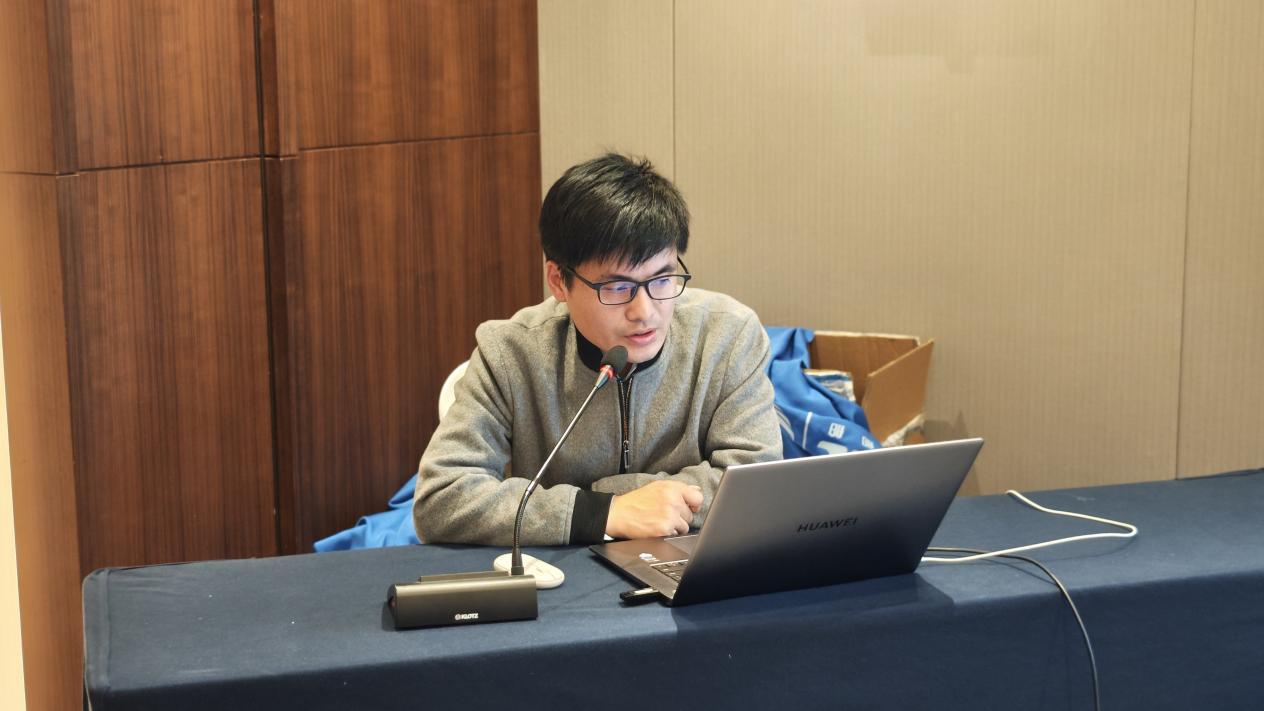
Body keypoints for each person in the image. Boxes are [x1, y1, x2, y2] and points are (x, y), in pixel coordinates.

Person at [413, 153, 782, 545]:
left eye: (662, 279)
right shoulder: (509, 354)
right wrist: (601, 512)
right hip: (564, 569)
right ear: (559, 281)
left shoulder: (728, 336)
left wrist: (617, 497)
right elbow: (441, 498)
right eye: (617, 287)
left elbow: (757, 484)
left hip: (690, 564)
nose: (645, 312)